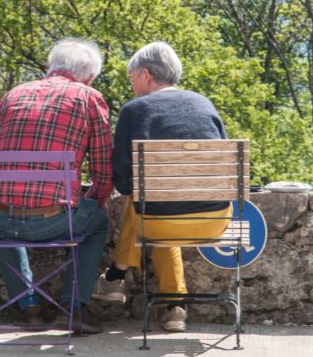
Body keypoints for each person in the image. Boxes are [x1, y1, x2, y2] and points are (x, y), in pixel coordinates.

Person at [0, 38, 112, 335]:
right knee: (98, 222)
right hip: (52, 220)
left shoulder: (13, 94)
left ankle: (28, 308)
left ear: (50, 67)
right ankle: (74, 307)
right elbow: (102, 167)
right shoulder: (89, 98)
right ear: (91, 76)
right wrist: (94, 200)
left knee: (4, 221)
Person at [91, 41, 232, 332]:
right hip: (216, 220)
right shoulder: (205, 103)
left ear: (145, 74)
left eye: (131, 78)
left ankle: (116, 275)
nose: (131, 85)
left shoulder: (135, 110)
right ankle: (174, 307)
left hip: (159, 222)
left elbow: (123, 180)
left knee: (145, 205)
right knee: (153, 204)